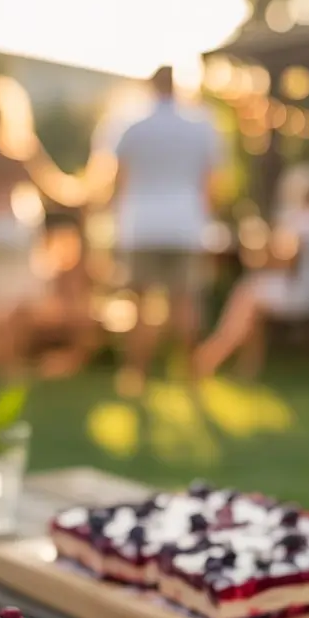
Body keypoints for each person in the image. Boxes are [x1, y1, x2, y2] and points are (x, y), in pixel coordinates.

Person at [0, 76, 89, 376]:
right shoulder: (20, 150)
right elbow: (56, 190)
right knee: (15, 303)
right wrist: (88, 188)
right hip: (11, 229)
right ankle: (9, 363)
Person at [107, 65, 222, 395]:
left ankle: (136, 375)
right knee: (184, 302)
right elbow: (210, 182)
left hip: (140, 225)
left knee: (139, 303)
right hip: (185, 224)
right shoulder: (200, 126)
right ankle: (191, 375)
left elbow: (119, 179)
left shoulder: (132, 126)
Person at [194, 164, 309, 378]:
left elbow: (280, 261)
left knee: (248, 292)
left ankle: (213, 354)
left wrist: (253, 248)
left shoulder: (301, 221)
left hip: (306, 296)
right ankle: (240, 365)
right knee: (252, 292)